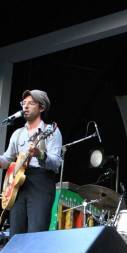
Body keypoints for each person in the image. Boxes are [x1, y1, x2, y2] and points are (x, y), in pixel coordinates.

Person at [0, 89, 62, 236]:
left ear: (41, 107)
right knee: (16, 235)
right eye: (24, 103)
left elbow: (56, 163)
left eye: (31, 103)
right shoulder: (17, 134)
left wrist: (40, 154)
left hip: (40, 183)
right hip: (18, 186)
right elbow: (7, 160)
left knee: (36, 234)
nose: (25, 107)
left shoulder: (51, 130)